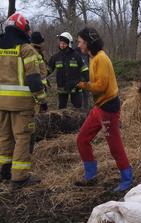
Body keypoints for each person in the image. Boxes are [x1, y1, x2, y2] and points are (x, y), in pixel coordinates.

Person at [75, 27, 133, 192]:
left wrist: (82, 85)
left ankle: (127, 177)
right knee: (82, 139)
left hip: (108, 107)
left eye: (80, 42)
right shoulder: (92, 57)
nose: (78, 45)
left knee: (114, 144)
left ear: (88, 42)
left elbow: (101, 86)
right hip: (99, 106)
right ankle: (91, 175)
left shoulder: (101, 58)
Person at [0, 13, 47, 188]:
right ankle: (19, 177)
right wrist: (42, 100)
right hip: (21, 104)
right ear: (22, 28)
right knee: (22, 138)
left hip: (1, 103)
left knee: (4, 136)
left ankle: (4, 171)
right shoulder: (26, 49)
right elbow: (34, 80)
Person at [48, 32, 89, 109]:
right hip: (62, 89)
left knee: (78, 110)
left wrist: (81, 82)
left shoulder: (76, 56)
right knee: (62, 110)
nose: (62, 45)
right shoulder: (56, 57)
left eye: (64, 43)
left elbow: (85, 71)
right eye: (61, 43)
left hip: (76, 88)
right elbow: (48, 70)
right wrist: (41, 78)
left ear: (69, 44)